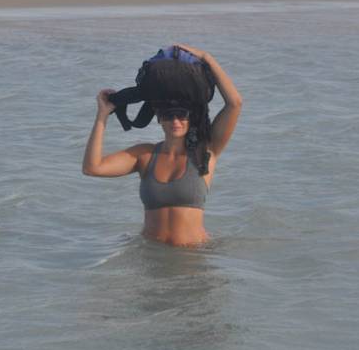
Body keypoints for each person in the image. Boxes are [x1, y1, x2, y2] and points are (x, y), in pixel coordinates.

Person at [82, 43, 242, 247]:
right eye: (168, 115)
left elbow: (235, 103)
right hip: (151, 259)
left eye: (182, 115)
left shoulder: (207, 150)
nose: (175, 121)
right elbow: (92, 168)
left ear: (191, 117)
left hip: (194, 258)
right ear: (159, 118)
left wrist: (206, 57)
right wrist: (102, 115)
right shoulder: (144, 155)